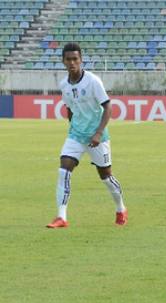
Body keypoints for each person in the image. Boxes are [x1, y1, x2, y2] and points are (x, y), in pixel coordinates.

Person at [47, 42, 126, 228]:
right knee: (63, 170)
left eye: (75, 59)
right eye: (68, 59)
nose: (72, 62)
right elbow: (69, 109)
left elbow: (108, 106)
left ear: (80, 60)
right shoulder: (64, 84)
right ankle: (62, 217)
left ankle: (120, 208)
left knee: (106, 176)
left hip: (97, 136)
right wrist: (72, 129)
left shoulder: (92, 81)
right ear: (63, 61)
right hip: (76, 135)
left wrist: (98, 133)